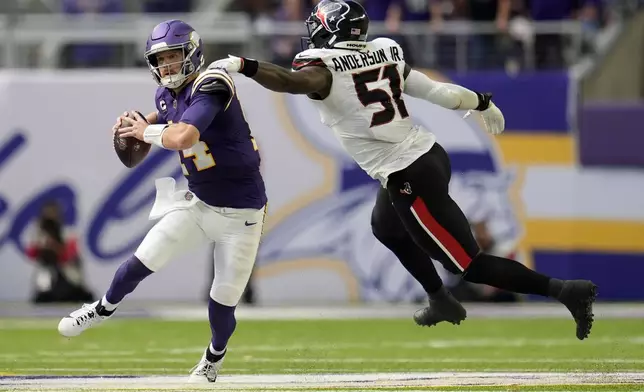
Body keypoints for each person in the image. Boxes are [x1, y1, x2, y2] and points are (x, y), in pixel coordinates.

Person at [210, 0, 597, 340]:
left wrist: (244, 65)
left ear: (327, 30)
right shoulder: (384, 51)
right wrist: (481, 102)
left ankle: (565, 290)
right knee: (385, 226)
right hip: (426, 156)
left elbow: (291, 82)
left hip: (408, 173)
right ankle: (440, 299)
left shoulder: (324, 67)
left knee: (467, 264)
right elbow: (438, 92)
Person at [57, 19, 268, 383]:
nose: (168, 66)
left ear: (193, 53)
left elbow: (184, 135)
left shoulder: (213, 84)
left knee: (223, 301)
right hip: (199, 204)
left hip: (243, 213)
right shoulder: (165, 95)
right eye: (162, 60)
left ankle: (213, 358)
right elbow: (166, 115)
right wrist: (133, 124)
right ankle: (100, 309)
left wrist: (145, 130)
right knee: (141, 260)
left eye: (174, 57)